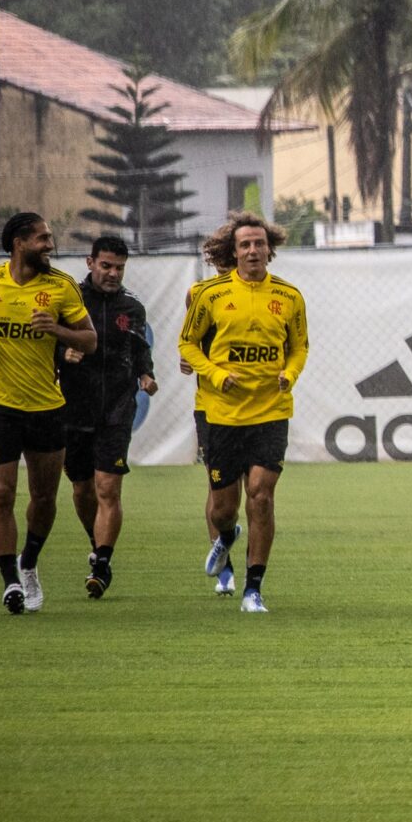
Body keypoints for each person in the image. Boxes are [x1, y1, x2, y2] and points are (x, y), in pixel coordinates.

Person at [0, 213, 99, 614]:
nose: (49, 245)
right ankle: (11, 582)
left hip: (47, 408)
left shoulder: (61, 287)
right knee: (1, 493)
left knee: (45, 497)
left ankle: (29, 562)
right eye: (42, 239)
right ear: (18, 242)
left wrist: (57, 330)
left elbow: (89, 340)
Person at [178, 216, 307, 613]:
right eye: (245, 245)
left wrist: (290, 373)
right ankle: (226, 536)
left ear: (270, 249)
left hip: (270, 411)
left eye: (259, 244)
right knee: (223, 506)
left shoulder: (289, 296)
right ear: (233, 252)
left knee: (261, 497)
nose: (253, 250)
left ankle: (253, 589)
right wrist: (215, 373)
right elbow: (187, 344)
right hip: (220, 413)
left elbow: (300, 346)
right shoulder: (209, 294)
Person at [59, 233, 157, 599]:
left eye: (119, 267)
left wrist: (146, 374)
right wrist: (62, 355)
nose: (113, 273)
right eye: (106, 266)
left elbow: (140, 348)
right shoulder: (69, 300)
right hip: (72, 407)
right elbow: (51, 342)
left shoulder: (131, 307)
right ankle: (96, 541)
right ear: (90, 263)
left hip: (117, 406)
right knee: (82, 489)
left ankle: (101, 562)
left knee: (108, 486)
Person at [188, 219, 241, 579]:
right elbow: (190, 342)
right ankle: (225, 565)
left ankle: (248, 570)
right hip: (211, 404)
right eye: (220, 259)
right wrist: (191, 359)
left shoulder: (265, 293)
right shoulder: (200, 294)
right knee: (219, 486)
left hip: (256, 405)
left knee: (255, 489)